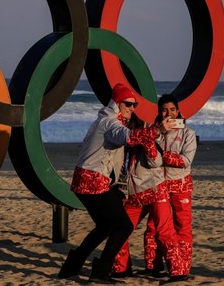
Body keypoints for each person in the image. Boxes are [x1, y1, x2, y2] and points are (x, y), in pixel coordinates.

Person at [58, 83, 161, 284]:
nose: (133, 108)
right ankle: (101, 270)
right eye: (129, 104)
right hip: (92, 182)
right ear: (117, 103)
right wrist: (157, 129)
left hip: (87, 181)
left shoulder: (107, 120)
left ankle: (73, 264)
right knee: (123, 226)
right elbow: (129, 138)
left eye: (135, 105)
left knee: (105, 226)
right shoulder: (110, 122)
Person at [111, 112, 189, 282]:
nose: (127, 128)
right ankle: (121, 269)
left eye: (129, 125)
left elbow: (156, 161)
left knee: (164, 232)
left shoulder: (146, 139)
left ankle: (178, 272)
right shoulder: (125, 144)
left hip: (154, 190)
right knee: (120, 230)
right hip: (134, 194)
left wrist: (147, 141)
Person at [143, 94, 197, 281]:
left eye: (173, 110)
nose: (169, 114)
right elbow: (148, 156)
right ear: (159, 111)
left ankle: (182, 268)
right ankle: (153, 266)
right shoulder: (154, 132)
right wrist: (158, 133)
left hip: (181, 184)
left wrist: (161, 155)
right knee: (154, 226)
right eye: (165, 110)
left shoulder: (188, 133)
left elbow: (185, 161)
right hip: (158, 184)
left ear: (178, 110)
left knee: (183, 227)